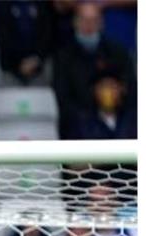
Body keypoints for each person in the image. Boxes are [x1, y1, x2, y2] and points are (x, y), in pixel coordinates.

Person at [53, 2, 135, 138]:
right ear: (75, 22)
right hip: (79, 131)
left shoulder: (118, 53)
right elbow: (63, 100)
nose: (89, 26)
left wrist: (115, 99)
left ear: (102, 23)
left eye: (94, 20)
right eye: (84, 20)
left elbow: (131, 91)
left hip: (120, 127)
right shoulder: (64, 58)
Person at [0, 1, 55, 86]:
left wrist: (36, 59)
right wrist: (18, 64)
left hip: (38, 69)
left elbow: (47, 35)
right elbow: (2, 38)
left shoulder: (43, 5)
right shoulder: (2, 6)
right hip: (10, 71)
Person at [69, 69, 136, 140]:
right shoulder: (81, 124)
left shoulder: (133, 120)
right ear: (94, 91)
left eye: (112, 86)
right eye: (103, 87)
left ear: (122, 89)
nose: (108, 93)